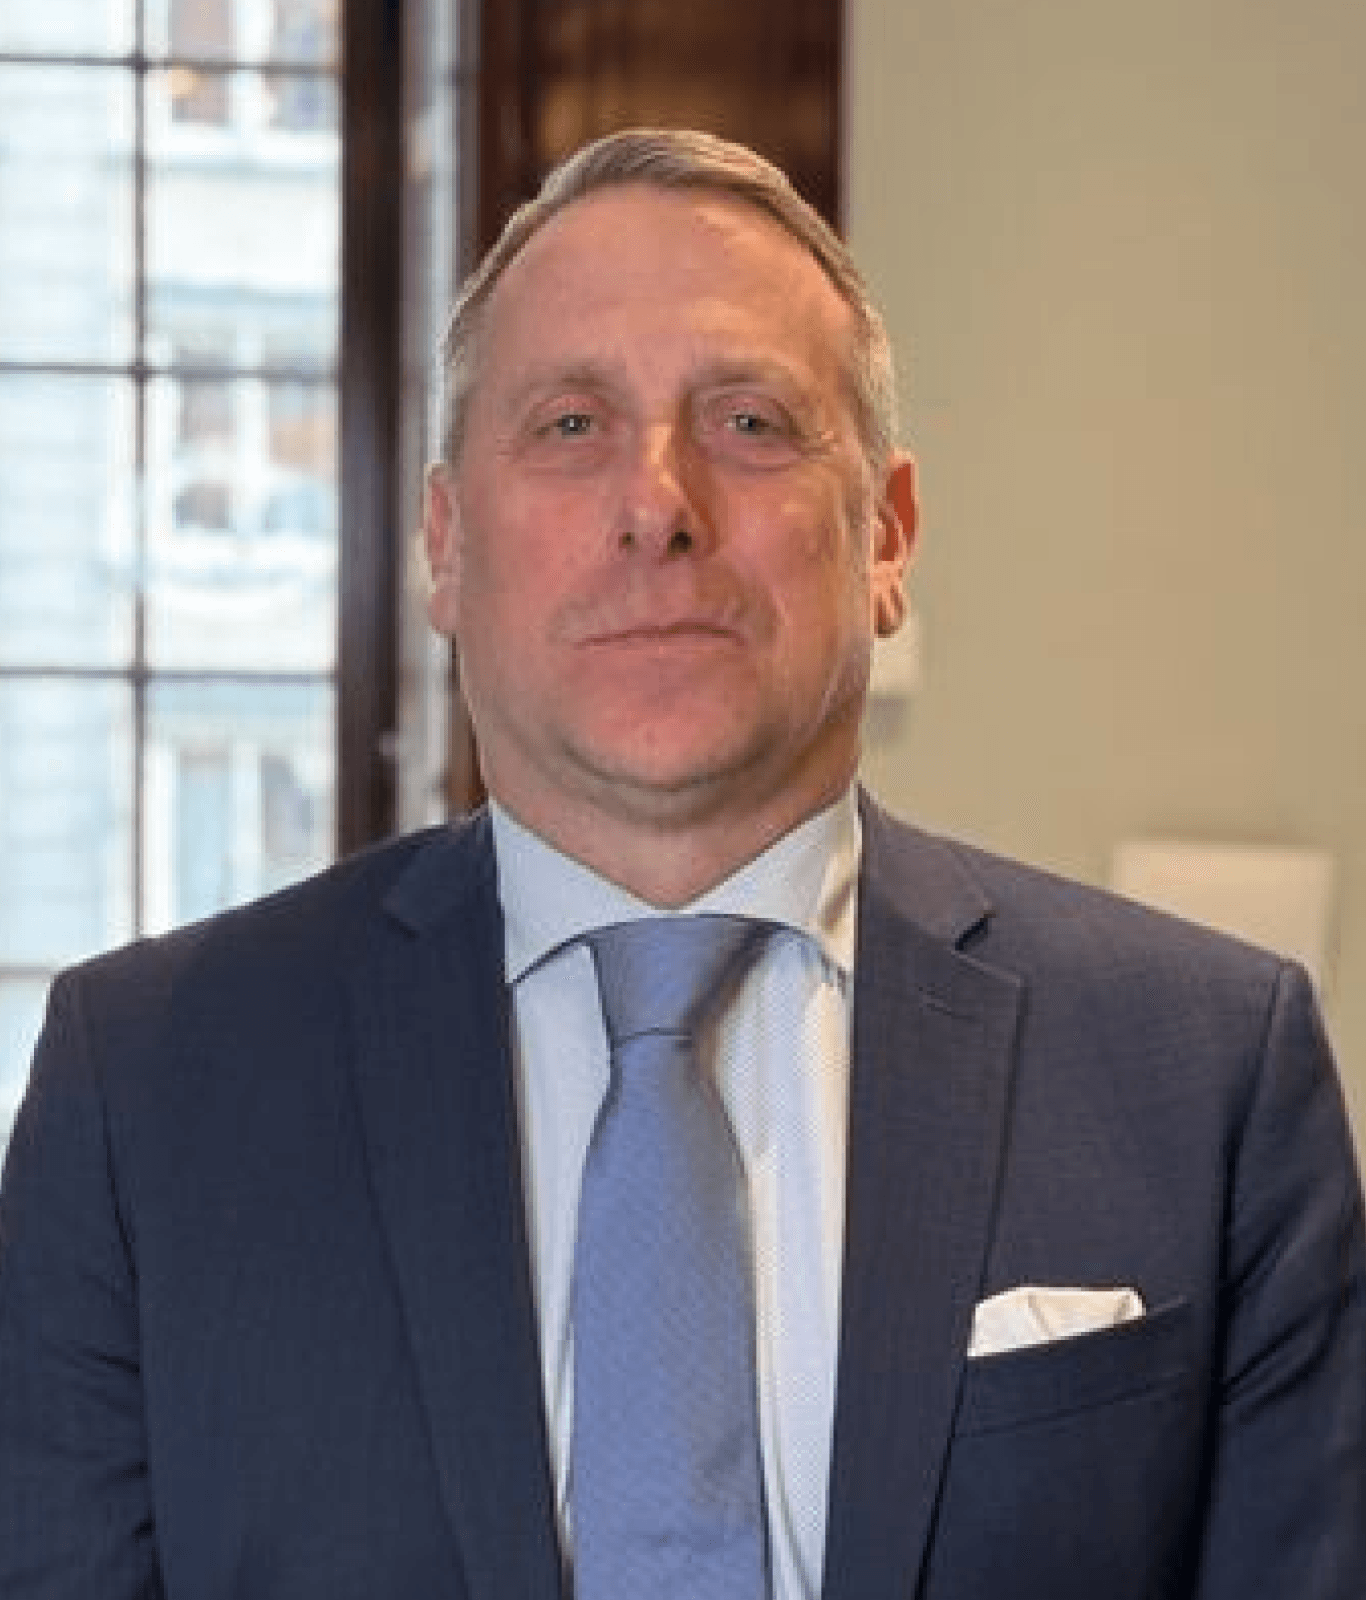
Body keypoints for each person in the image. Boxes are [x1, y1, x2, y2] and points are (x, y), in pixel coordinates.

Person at [1, 127, 1362, 1600]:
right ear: (445, 545)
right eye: (570, 424)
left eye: (751, 422)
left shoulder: (1208, 1074)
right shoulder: (143, 1090)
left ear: (888, 536)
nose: (658, 504)